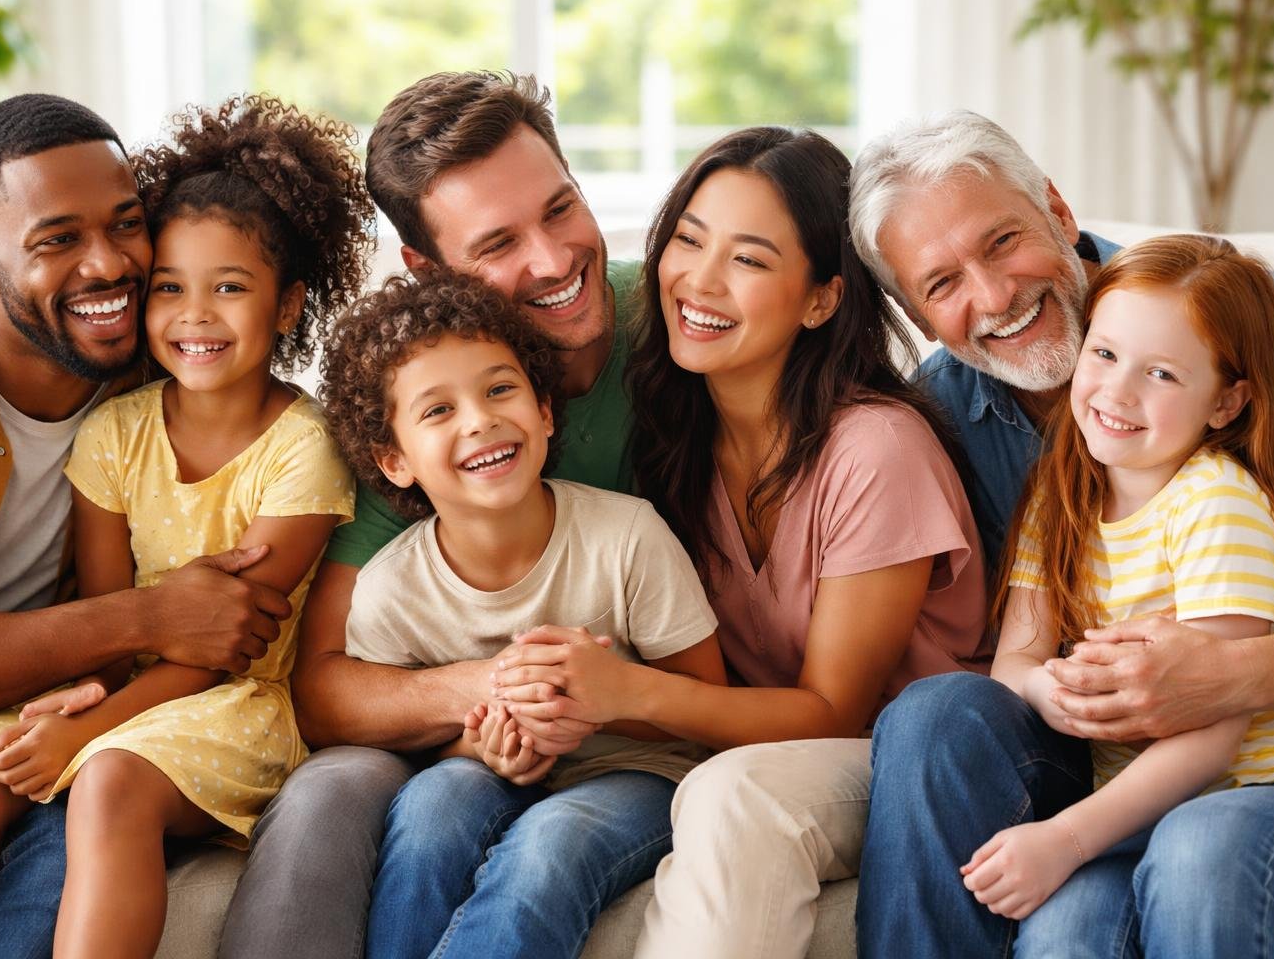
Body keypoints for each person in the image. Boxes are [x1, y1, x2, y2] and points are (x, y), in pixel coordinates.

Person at [849, 111, 1274, 956]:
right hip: (1098, 756)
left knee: (1198, 848)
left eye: (1001, 242)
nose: (992, 298)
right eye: (940, 284)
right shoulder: (946, 413)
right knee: (934, 716)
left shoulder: (1271, 332)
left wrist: (1223, 676)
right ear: (912, 314)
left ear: (1058, 211)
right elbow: (1001, 646)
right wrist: (1050, 691)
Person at [0, 95, 367, 959]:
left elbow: (226, 637)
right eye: (58, 238)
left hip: (195, 700)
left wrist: (89, 715)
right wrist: (135, 639)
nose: (111, 269)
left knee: (97, 787)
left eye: (127, 227)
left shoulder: (178, 366)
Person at [489, 126, 990, 958]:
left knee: (734, 795)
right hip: (756, 747)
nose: (700, 280)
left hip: (905, 769)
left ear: (822, 298)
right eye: (688, 239)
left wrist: (627, 693)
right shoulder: (679, 436)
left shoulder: (877, 448)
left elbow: (838, 712)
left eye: (749, 260)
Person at [220, 71, 637, 957]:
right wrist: (498, 692)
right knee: (334, 795)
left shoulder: (681, 319)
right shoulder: (410, 406)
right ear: (425, 268)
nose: (555, 260)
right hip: (456, 741)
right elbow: (326, 687)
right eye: (499, 243)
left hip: (637, 738)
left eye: (562, 209)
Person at [964, 235, 1274, 954]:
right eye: (1104, 355)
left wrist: (1066, 836)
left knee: (1198, 843)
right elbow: (1017, 662)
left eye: (1161, 373)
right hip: (1142, 809)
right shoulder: (1056, 498)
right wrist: (1051, 693)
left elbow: (1213, 729)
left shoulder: (1218, 503)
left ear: (1225, 402)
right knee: (1062, 934)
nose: (1119, 392)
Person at [324, 273, 726, 957]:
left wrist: (592, 703)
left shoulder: (627, 536)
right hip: (485, 774)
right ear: (393, 461)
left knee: (550, 842)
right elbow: (406, 745)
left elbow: (708, 709)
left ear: (544, 411)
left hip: (636, 773)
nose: (479, 419)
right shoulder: (392, 589)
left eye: (499, 389)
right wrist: (474, 746)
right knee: (430, 807)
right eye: (437, 410)